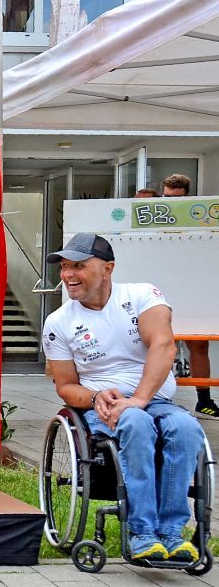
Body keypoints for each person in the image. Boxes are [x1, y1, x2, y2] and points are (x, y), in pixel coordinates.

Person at [42, 232, 204, 562]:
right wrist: (96, 396)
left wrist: (140, 398)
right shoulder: (59, 322)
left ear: (108, 268)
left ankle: (171, 534)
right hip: (105, 408)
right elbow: (66, 386)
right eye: (64, 267)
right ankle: (142, 533)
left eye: (78, 266)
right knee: (135, 422)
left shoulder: (142, 296)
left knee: (187, 428)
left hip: (154, 400)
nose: (68, 274)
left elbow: (163, 345)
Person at [161, 174, 216, 418]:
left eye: (176, 198)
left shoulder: (198, 220)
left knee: (199, 345)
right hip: (162, 289)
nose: (170, 202)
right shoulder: (156, 217)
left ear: (187, 196)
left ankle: (204, 400)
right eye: (166, 197)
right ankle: (157, 397)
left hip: (191, 289)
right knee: (156, 346)